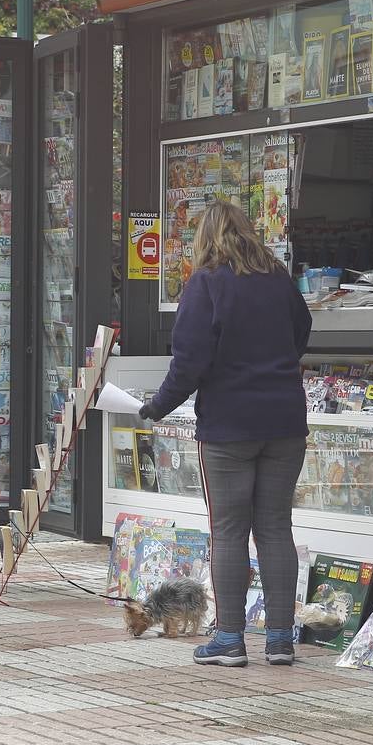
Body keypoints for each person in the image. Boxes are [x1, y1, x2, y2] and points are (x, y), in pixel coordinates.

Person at [138, 199, 312, 667]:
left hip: (229, 426)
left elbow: (189, 362)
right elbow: (303, 330)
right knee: (276, 528)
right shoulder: (278, 278)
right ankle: (279, 640)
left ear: (204, 238)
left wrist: (155, 407)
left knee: (229, 531)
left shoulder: (207, 283)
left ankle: (230, 639)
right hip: (285, 421)